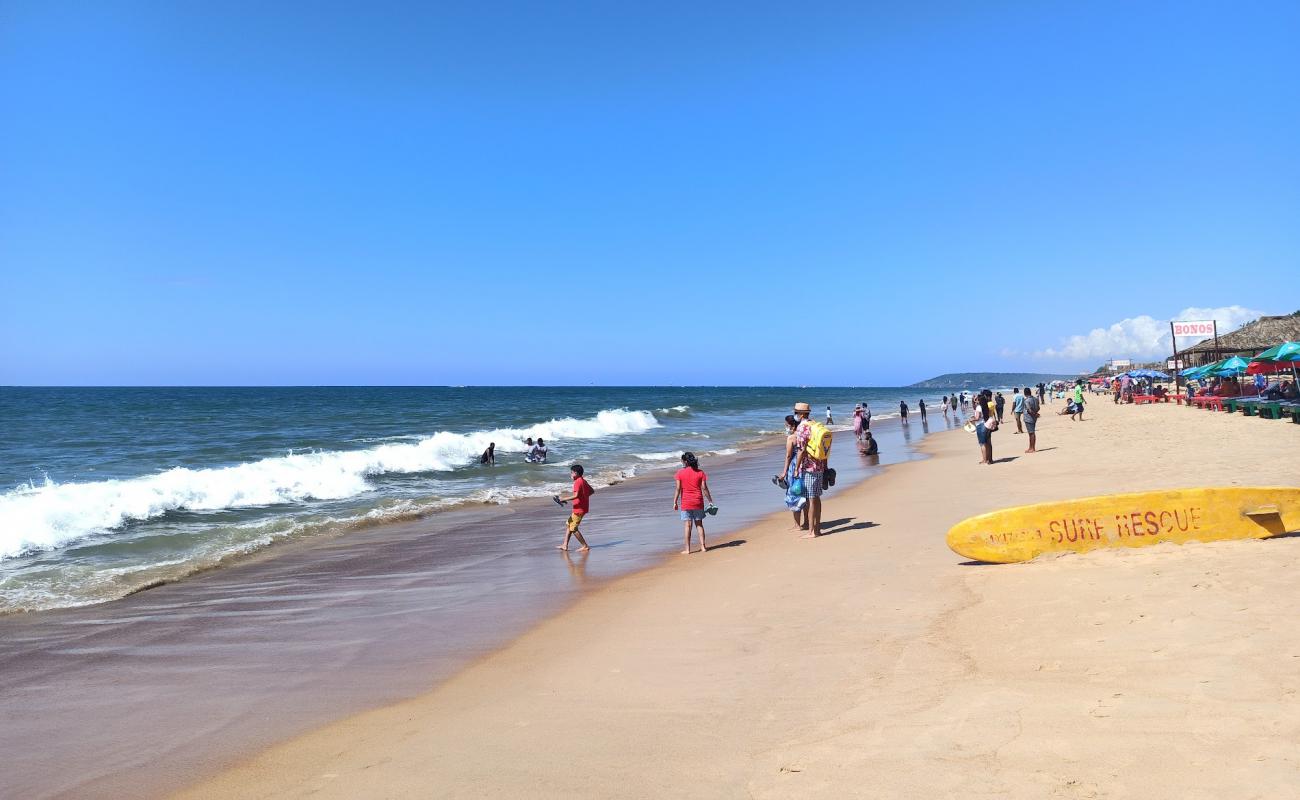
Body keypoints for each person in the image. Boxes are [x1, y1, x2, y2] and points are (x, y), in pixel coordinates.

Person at [785, 402, 830, 538]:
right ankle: (817, 529)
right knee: (816, 498)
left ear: (802, 414)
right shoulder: (815, 424)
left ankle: (812, 532)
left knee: (811, 499)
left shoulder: (802, 428)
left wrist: (797, 468)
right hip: (819, 465)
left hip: (809, 467)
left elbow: (801, 450)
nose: (795, 415)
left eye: (796, 413)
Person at [673, 452, 714, 554]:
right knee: (699, 524)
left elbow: (678, 489)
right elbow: (704, 488)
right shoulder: (700, 472)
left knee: (688, 526)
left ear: (685, 462)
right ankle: (703, 547)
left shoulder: (680, 473)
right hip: (698, 501)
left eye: (682, 461)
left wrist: (675, 502)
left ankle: (687, 549)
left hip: (686, 502)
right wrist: (710, 501)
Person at [778, 414, 809, 529]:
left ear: (791, 426)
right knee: (805, 494)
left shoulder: (791, 438)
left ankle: (797, 525)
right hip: (805, 465)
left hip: (794, 467)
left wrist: (784, 472)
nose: (786, 427)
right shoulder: (803, 435)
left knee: (794, 493)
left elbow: (788, 456)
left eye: (786, 425)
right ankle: (806, 522)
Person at [555, 464, 594, 551]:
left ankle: (585, 546)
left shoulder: (577, 482)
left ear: (575, 473)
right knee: (569, 524)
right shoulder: (583, 481)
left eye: (571, 473)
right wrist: (584, 498)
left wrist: (563, 499)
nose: (570, 474)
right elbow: (592, 491)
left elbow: (576, 495)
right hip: (582, 507)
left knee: (573, 528)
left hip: (579, 509)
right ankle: (565, 545)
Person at [969, 390, 997, 465]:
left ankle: (985, 460)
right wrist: (973, 401)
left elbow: (977, 418)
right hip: (987, 425)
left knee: (982, 444)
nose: (976, 400)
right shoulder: (986, 406)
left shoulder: (979, 407)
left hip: (981, 426)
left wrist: (972, 419)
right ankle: (989, 459)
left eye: (977, 399)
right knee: (988, 443)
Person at [1022, 386, 1040, 453]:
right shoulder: (1035, 399)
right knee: (1031, 433)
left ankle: (1032, 448)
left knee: (1031, 433)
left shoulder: (1026, 400)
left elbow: (1029, 410)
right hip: (1034, 418)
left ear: (1025, 393)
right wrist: (1036, 413)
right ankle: (1031, 447)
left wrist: (1035, 414)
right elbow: (1038, 408)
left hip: (1029, 418)